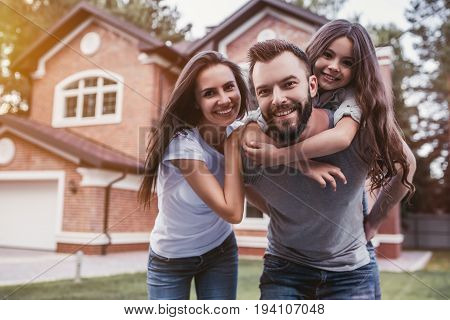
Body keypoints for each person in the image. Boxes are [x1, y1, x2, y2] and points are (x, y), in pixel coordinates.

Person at [243, 20, 408, 299]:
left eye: (347, 62)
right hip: (286, 262)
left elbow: (345, 139)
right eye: (328, 55)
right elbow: (247, 141)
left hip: (348, 260)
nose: (334, 66)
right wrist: (300, 168)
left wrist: (374, 223)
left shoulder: (355, 101)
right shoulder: (280, 100)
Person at [139, 51, 249, 300]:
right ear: (196, 101)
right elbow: (232, 212)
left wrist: (309, 166)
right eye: (210, 93)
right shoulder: (182, 144)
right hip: (171, 259)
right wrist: (232, 147)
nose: (224, 99)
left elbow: (285, 149)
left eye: (229, 87)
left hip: (220, 250)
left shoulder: (240, 128)